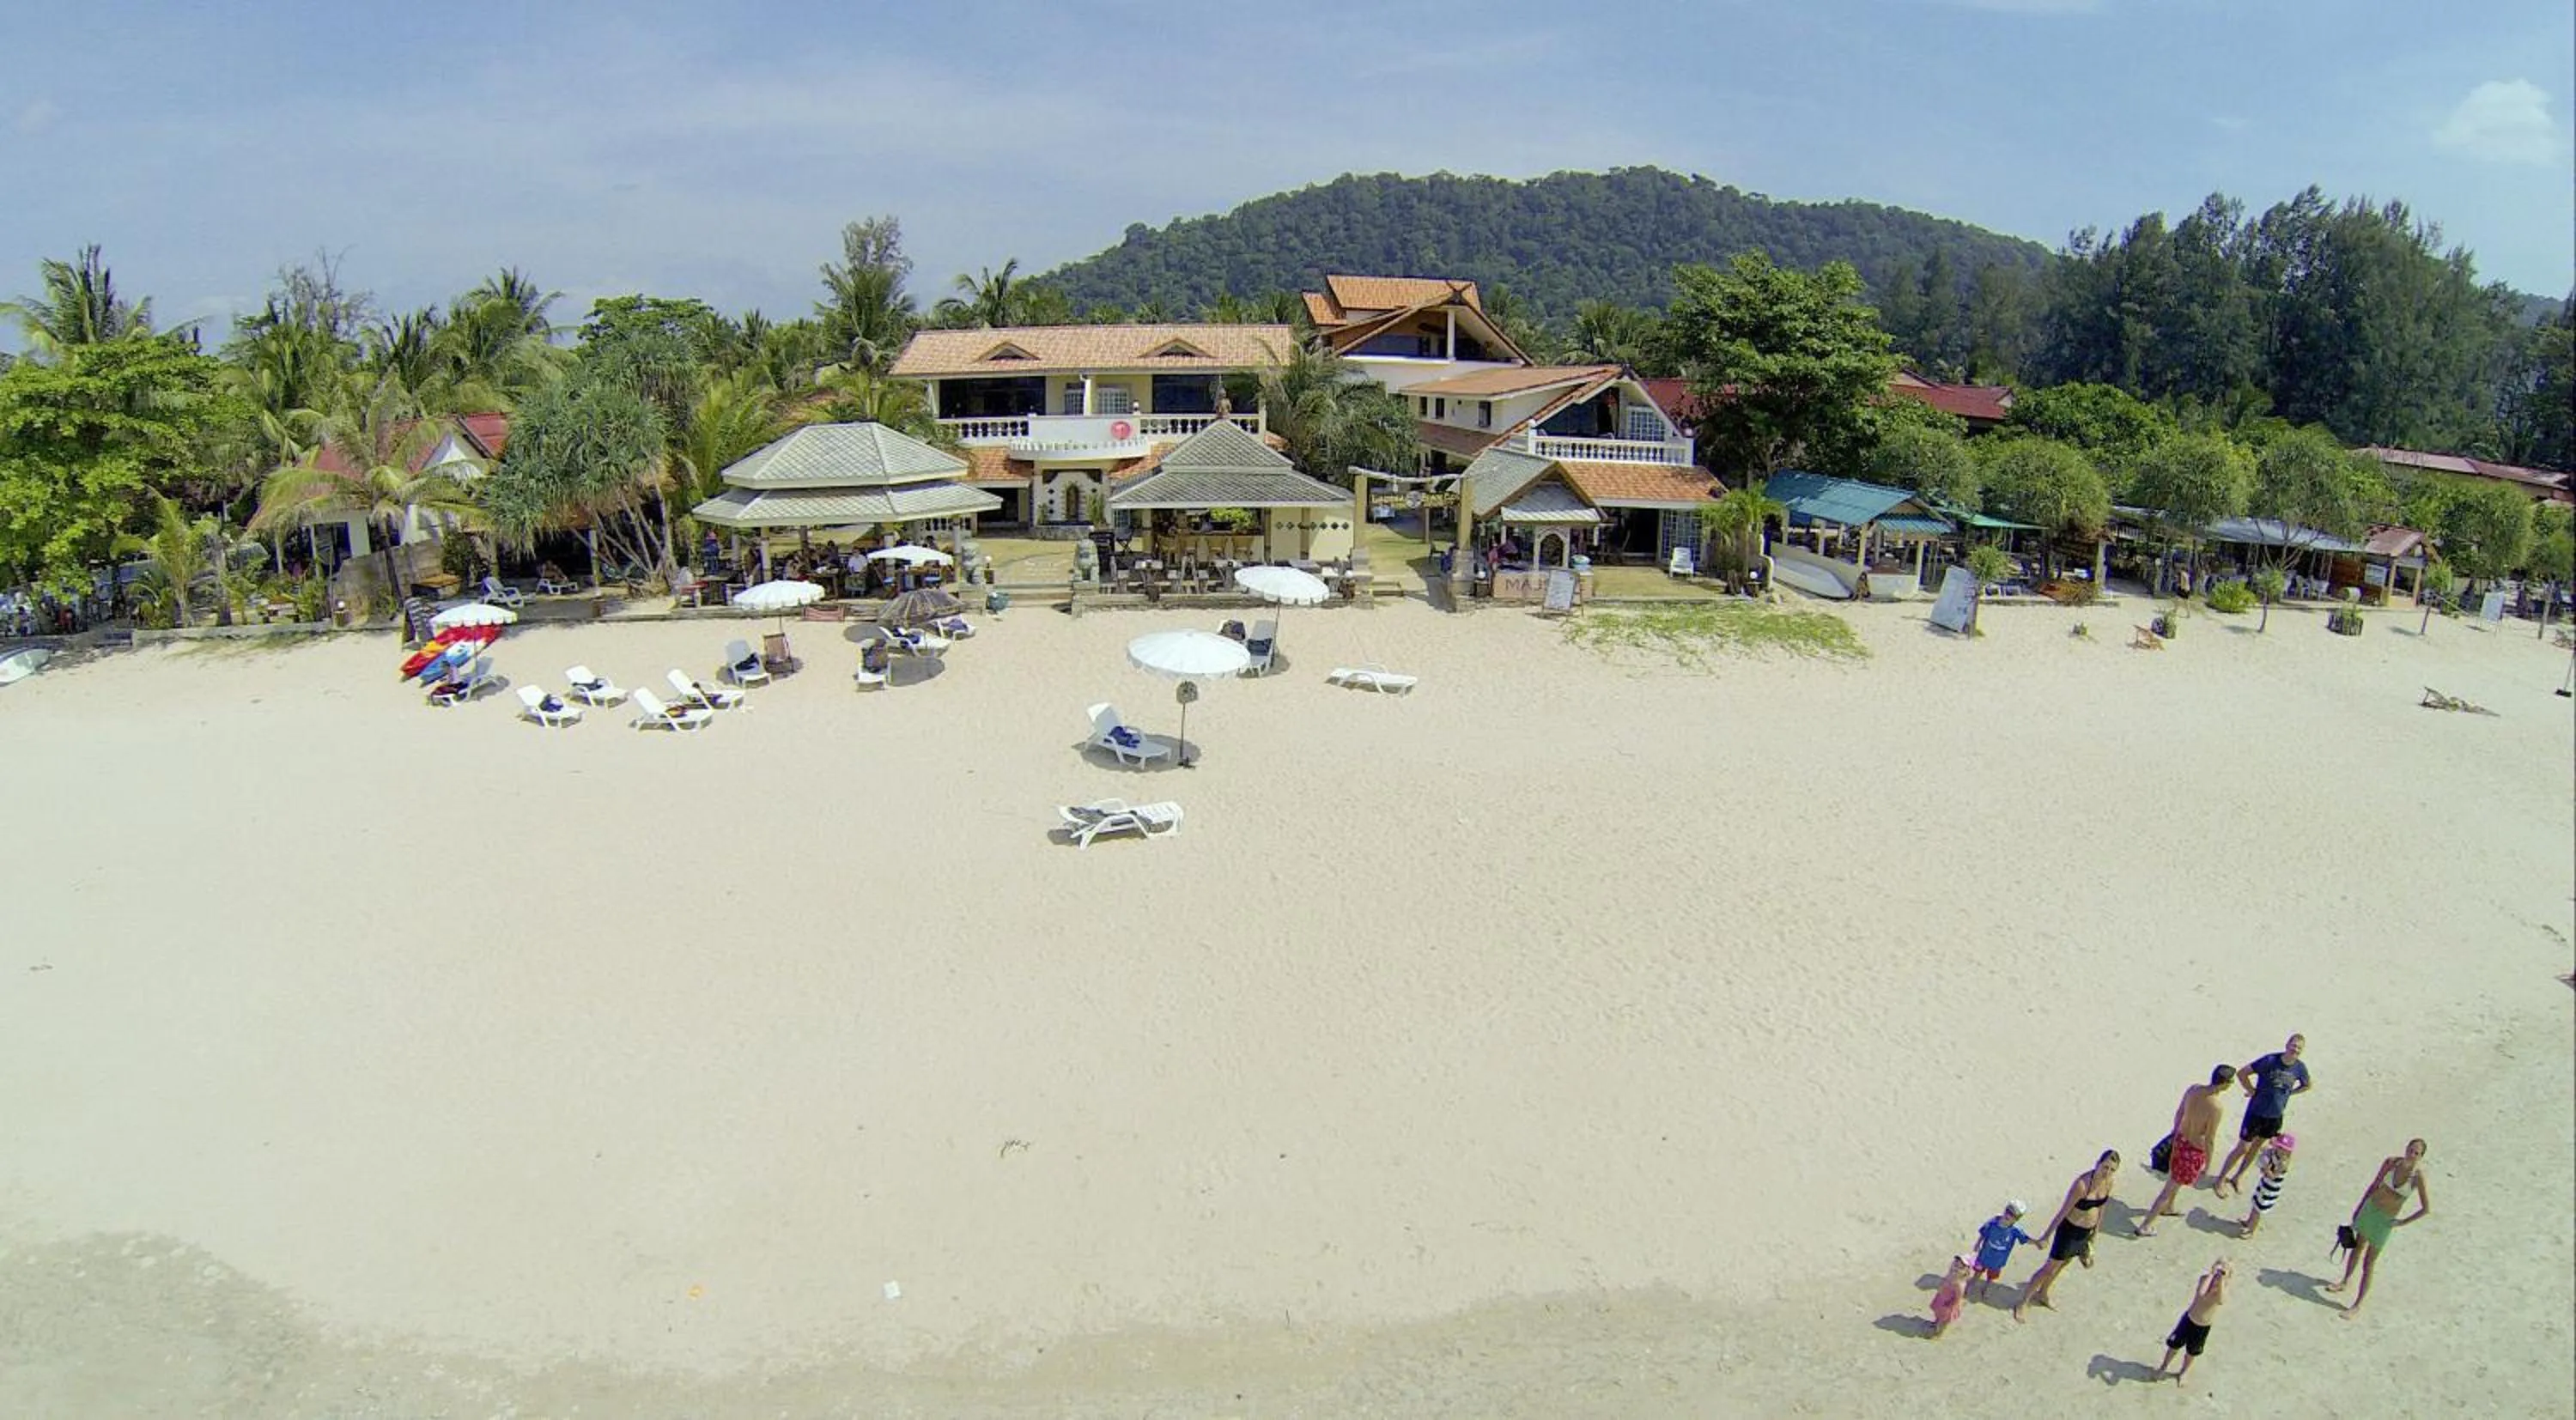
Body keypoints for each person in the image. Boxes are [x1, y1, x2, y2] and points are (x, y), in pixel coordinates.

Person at [2329, 1138, 2430, 1316]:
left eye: (2416, 1153)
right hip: (2371, 1209)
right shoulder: (2391, 1163)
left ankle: (2357, 1304)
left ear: (2421, 1157)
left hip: (2386, 1221)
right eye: (2411, 1150)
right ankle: (2345, 1281)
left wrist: (2402, 1222)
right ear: (2406, 1148)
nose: (2412, 1155)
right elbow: (2374, 1185)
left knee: (2369, 1263)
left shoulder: (2417, 1177)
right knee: (2357, 1248)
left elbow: (2426, 1209)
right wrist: (2359, 1208)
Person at [2014, 1150, 2120, 1320]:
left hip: (2085, 1232)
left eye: (2112, 1169)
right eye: (2105, 1167)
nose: (2107, 1172)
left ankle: (2043, 1293)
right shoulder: (2082, 1185)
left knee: (2065, 1264)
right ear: (2097, 1164)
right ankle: (2023, 1302)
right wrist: (2046, 1235)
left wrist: (2095, 1234)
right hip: (2069, 1230)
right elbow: (2063, 1211)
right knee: (2049, 1268)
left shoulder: (2109, 1183)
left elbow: (2101, 1209)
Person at [2136, 1065, 2237, 1236]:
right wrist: (2208, 1164)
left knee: (2176, 1179)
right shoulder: (2216, 1108)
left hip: (2181, 1139)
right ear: (2225, 1084)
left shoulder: (2193, 1089)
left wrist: (2175, 1133)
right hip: (2194, 1149)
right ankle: (2146, 1225)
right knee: (2170, 1186)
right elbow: (2210, 1139)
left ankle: (2169, 1207)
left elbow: (2179, 1113)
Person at [2215, 1035, 2313, 1197]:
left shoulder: (2300, 1068)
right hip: (2256, 1112)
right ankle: (2220, 1179)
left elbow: (2307, 1085)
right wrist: (2251, 1090)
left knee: (2256, 1148)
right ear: (2287, 1044)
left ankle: (2238, 1177)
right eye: (2293, 1045)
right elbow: (2242, 1073)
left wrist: (2290, 1093)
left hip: (2275, 1116)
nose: (2294, 1049)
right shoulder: (2269, 1061)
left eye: (2298, 1048)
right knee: (2243, 1148)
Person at [2152, 1259, 2230, 1386]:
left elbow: (2221, 1300)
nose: (2218, 1276)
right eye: (2218, 1271)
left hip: (2203, 1326)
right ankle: (2163, 1366)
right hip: (2189, 1319)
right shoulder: (2205, 1280)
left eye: (2223, 1272)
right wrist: (2211, 1274)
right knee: (2174, 1345)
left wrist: (2221, 1280)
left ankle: (2184, 1371)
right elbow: (2201, 1293)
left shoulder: (2223, 1290)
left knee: (2191, 1352)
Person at [1969, 1200, 2035, 1302]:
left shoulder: (2015, 1230)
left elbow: (2025, 1239)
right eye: (2008, 1211)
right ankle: (1972, 1283)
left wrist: (2037, 1242)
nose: (2009, 1215)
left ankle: (1988, 1287)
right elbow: (1983, 1233)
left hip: (1998, 1261)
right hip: (1984, 1255)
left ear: (2017, 1219)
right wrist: (1977, 1244)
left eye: (2013, 1215)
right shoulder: (1993, 1222)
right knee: (1978, 1271)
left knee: (1992, 1276)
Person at [2236, 1132, 2296, 1237]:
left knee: (2258, 1210)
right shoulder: (2275, 1153)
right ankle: (2248, 1222)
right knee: (2255, 1204)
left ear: (2288, 1151)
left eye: (2283, 1149)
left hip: (2270, 1189)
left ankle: (2251, 1230)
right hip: (2264, 1184)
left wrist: (2266, 1168)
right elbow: (2267, 1146)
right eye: (2279, 1147)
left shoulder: (2283, 1163)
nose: (2280, 1150)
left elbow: (2273, 1176)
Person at [1929, 1254, 1972, 1338]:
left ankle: (1939, 1334)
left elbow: (1958, 1298)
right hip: (1941, 1298)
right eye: (1955, 1264)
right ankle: (1936, 1322)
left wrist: (1950, 1305)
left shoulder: (1960, 1284)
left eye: (1960, 1268)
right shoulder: (1950, 1274)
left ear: (1965, 1272)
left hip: (1949, 1305)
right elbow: (1944, 1282)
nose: (1956, 1268)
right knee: (1938, 1313)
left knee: (1945, 1321)